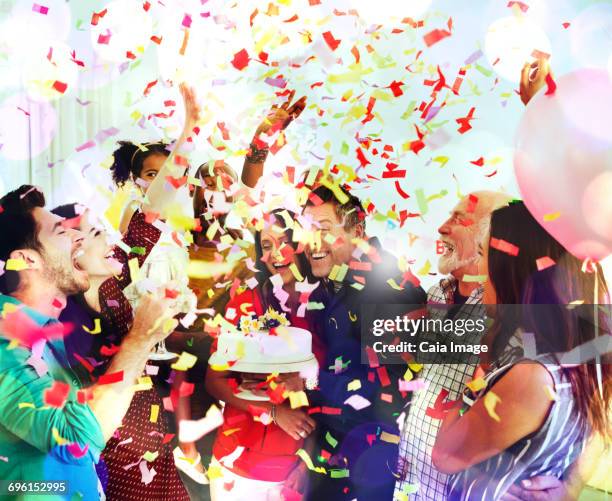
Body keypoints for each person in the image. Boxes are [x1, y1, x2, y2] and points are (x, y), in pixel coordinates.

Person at [0, 185, 178, 500]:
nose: (78, 238)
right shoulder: (5, 347)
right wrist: (139, 340)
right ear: (27, 259)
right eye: (60, 231)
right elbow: (75, 442)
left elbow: (82, 422)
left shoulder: (44, 330)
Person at [168, 92, 307, 490]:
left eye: (224, 184)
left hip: (243, 367)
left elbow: (250, 182)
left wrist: (261, 143)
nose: (217, 190)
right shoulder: (177, 246)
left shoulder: (249, 237)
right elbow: (169, 334)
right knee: (199, 469)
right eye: (207, 184)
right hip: (197, 368)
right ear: (194, 193)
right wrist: (207, 336)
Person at [431, 201, 610, 500]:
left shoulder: (533, 378)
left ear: (512, 270)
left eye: (482, 256)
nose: (479, 274)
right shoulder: (586, 357)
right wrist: (569, 489)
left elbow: (445, 456)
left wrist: (476, 378)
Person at [51, 204, 190, 500]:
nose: (112, 239)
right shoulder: (65, 326)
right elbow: (87, 418)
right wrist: (143, 336)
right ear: (72, 251)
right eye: (97, 233)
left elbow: (152, 215)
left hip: (158, 454)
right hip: (120, 471)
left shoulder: (113, 285)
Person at [302, 183, 427, 500]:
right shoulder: (326, 288)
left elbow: (398, 389)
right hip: (332, 448)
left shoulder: (389, 288)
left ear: (357, 231)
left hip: (371, 462)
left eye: (324, 229)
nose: (311, 240)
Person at [394, 191, 511, 501]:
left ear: (491, 237)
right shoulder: (436, 293)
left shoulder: (509, 311)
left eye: (459, 219)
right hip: (410, 476)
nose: (442, 228)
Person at [204, 209, 322, 500]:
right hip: (236, 468)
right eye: (266, 246)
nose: (275, 253)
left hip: (291, 473)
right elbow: (214, 381)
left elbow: (327, 392)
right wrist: (272, 412)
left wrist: (306, 464)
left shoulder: (325, 307)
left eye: (283, 241)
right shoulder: (245, 303)